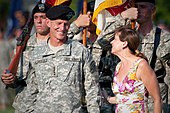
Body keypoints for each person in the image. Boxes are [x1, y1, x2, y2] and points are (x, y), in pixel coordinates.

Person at [29, 5, 100, 112]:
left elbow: (92, 88)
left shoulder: (80, 51)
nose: (62, 28)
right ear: (48, 23)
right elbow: (31, 89)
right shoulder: (36, 52)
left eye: (66, 24)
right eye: (58, 24)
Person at [1, 2, 51, 113]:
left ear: (49, 20)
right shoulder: (22, 46)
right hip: (26, 107)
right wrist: (8, 79)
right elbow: (17, 79)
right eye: (36, 17)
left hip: (51, 106)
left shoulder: (58, 45)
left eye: (43, 17)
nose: (38, 21)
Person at [106, 26, 162, 113]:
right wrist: (107, 98)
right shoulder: (118, 66)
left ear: (124, 44)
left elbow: (157, 99)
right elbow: (125, 98)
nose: (112, 42)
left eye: (115, 39)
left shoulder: (141, 65)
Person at [135, 0, 170, 112]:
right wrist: (122, 17)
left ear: (153, 10)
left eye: (142, 7)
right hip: (132, 101)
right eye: (135, 7)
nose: (138, 10)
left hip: (155, 103)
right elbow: (103, 42)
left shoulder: (165, 38)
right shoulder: (128, 37)